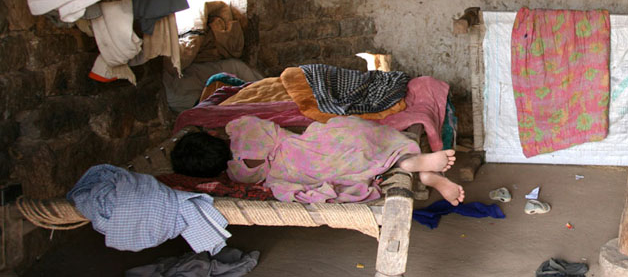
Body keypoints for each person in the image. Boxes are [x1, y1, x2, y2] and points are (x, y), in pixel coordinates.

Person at [171, 115, 465, 206]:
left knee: (353, 171)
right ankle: (412, 161)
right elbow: (273, 129)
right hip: (312, 144)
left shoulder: (237, 174)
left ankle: (409, 167)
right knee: (361, 135)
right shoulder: (241, 127)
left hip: (305, 170)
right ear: (209, 137)